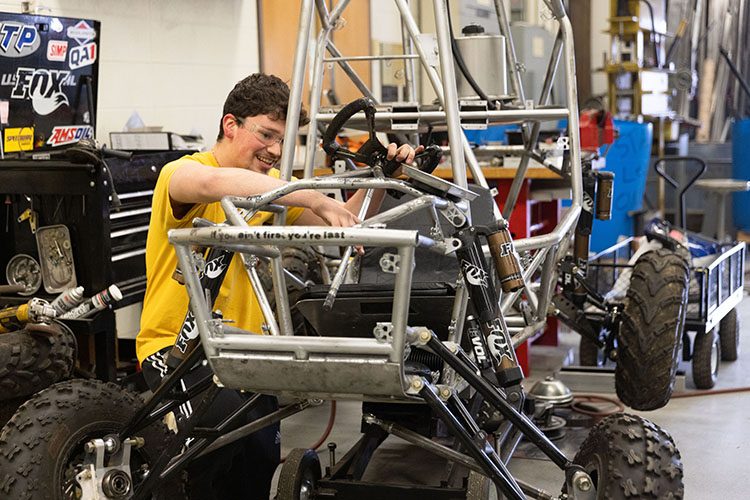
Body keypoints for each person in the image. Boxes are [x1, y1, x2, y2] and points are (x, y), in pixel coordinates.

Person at [135, 73, 420, 499]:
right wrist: (309, 194)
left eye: (283, 141)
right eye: (266, 134)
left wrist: (382, 179)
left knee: (254, 469)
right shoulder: (184, 173)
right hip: (176, 353)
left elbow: (341, 219)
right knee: (207, 456)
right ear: (231, 125)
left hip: (247, 358)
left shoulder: (267, 195)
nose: (274, 151)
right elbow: (214, 185)